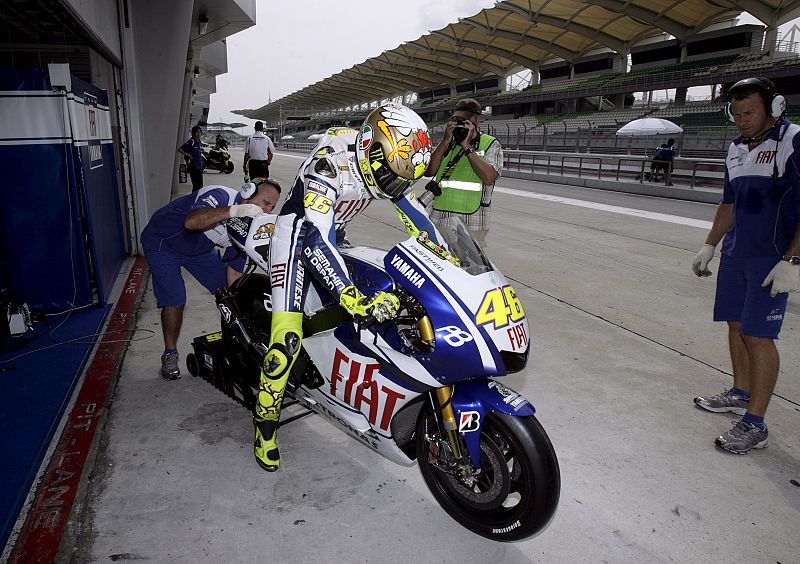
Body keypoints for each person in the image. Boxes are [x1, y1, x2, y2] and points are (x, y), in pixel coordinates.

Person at [252, 103, 443, 472]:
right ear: (371, 150)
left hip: (335, 235)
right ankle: (265, 426)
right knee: (286, 339)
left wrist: (446, 259)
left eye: (401, 179)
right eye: (390, 176)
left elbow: (417, 217)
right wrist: (349, 294)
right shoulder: (329, 164)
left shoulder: (387, 162)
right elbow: (315, 239)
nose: (394, 186)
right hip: (296, 236)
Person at [691, 77, 800, 454]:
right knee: (736, 327)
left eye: (749, 111)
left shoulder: (792, 141)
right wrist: (710, 244)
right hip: (736, 253)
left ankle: (755, 423)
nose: (742, 120)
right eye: (735, 114)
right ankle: (740, 392)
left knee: (759, 336)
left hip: (772, 257)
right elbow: (729, 202)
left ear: (775, 107)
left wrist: (793, 259)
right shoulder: (736, 149)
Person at [141, 178, 281, 380]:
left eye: (271, 207)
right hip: (162, 242)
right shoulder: (220, 194)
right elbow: (192, 222)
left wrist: (235, 306)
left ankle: (240, 345)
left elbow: (234, 273)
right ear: (249, 192)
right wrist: (234, 211)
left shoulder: (247, 228)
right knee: (175, 298)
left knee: (231, 294)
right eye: (265, 202)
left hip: (198, 250)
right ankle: (170, 354)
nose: (267, 210)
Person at [423, 98, 502, 244]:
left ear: (477, 120)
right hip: (439, 217)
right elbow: (429, 171)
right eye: (457, 119)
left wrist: (467, 147)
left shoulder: (491, 144)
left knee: (468, 266)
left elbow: (489, 177)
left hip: (472, 222)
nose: (460, 124)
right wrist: (445, 140)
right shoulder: (448, 143)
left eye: (464, 120)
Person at [178, 126, 205, 192]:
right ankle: (193, 200)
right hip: (194, 167)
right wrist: (188, 155)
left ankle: (196, 199)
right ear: (193, 133)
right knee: (196, 186)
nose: (198, 134)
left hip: (199, 167)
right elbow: (180, 149)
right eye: (196, 132)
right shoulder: (191, 141)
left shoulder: (198, 142)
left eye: (199, 132)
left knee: (200, 186)